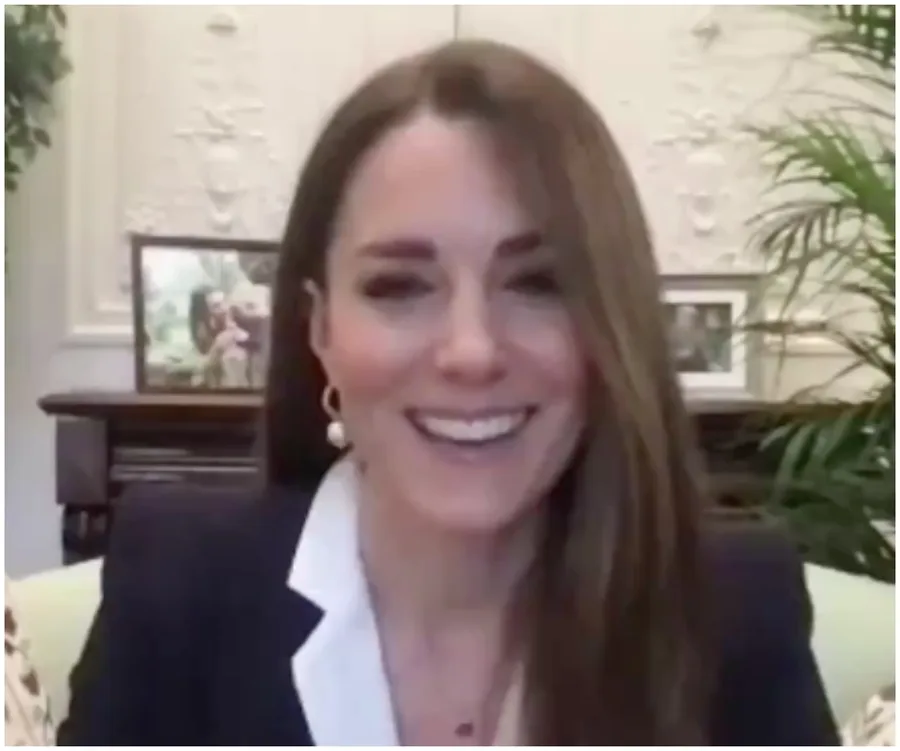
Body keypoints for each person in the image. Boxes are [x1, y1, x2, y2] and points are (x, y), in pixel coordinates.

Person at [57, 39, 839, 746]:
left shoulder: (734, 610)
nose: (471, 350)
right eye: (399, 286)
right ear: (318, 329)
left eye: (538, 283)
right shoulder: (175, 586)